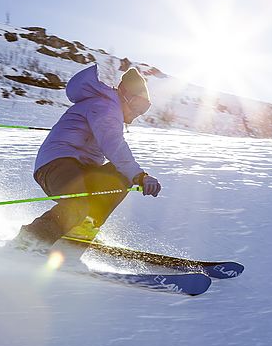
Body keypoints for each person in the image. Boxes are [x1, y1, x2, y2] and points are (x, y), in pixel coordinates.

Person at [9, 61, 161, 254]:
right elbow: (113, 144)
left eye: (143, 110)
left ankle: (80, 232)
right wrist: (140, 175)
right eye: (137, 106)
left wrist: (133, 175)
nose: (136, 115)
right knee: (79, 202)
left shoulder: (108, 107)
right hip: (56, 166)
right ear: (124, 93)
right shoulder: (105, 106)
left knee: (119, 175)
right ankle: (28, 242)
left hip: (79, 167)